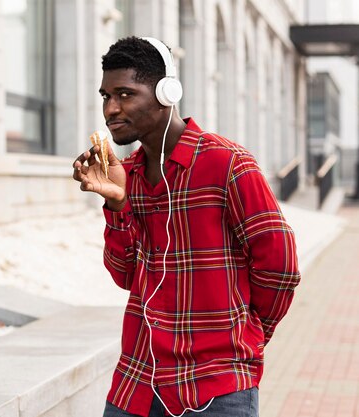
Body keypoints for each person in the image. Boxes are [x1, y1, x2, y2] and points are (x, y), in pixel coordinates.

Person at [72, 36, 300, 417]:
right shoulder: (124, 174)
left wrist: (249, 337)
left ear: (166, 92)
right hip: (137, 384)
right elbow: (125, 275)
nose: (111, 109)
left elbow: (280, 269)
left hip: (216, 389)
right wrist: (117, 204)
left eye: (125, 94)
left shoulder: (228, 164)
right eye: (105, 96)